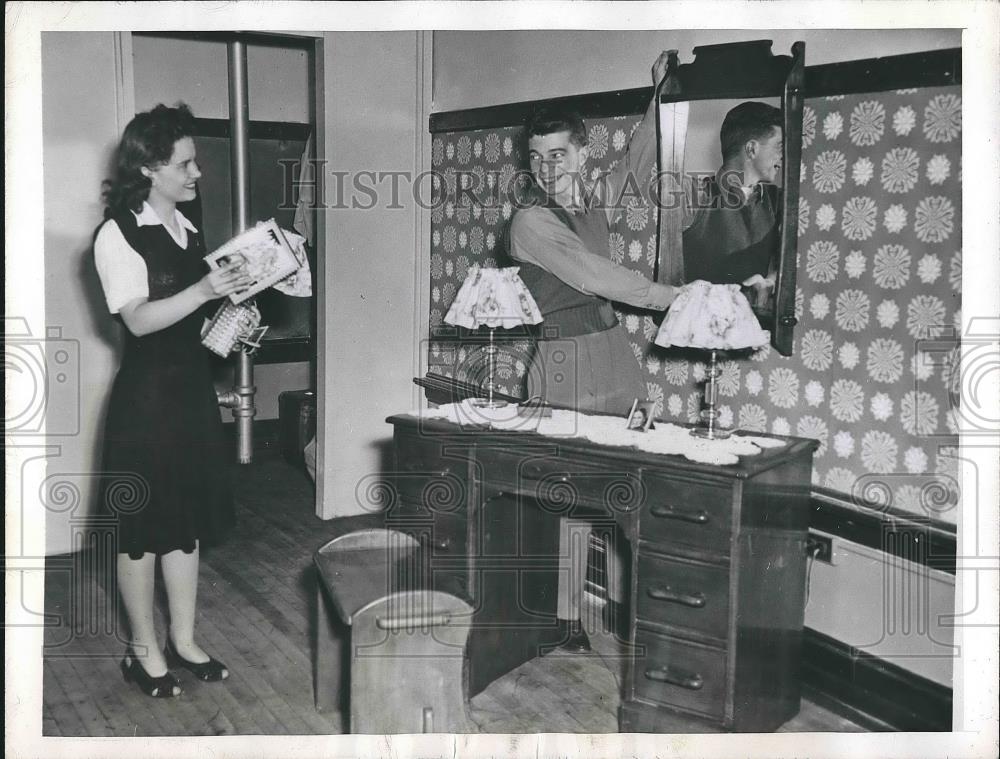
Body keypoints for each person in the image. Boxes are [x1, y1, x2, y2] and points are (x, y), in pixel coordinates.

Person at [508, 51, 680, 653]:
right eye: (536, 156)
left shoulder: (591, 198)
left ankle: (634, 613)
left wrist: (663, 91)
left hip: (612, 351)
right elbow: (596, 277)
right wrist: (674, 299)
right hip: (563, 361)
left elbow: (639, 157)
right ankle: (565, 619)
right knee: (572, 497)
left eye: (559, 154)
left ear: (581, 152)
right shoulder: (530, 221)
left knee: (631, 486)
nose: (547, 166)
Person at [94, 103, 252, 698]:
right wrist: (204, 289)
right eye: (185, 163)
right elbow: (137, 321)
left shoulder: (188, 228)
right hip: (146, 401)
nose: (196, 173)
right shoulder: (117, 233)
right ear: (151, 168)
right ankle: (142, 651)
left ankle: (183, 641)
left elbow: (197, 319)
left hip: (189, 395)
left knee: (182, 528)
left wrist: (235, 312)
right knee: (140, 533)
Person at [682, 101, 784, 303]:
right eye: (779, 147)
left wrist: (771, 282)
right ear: (752, 149)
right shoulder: (694, 195)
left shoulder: (779, 201)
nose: (783, 156)